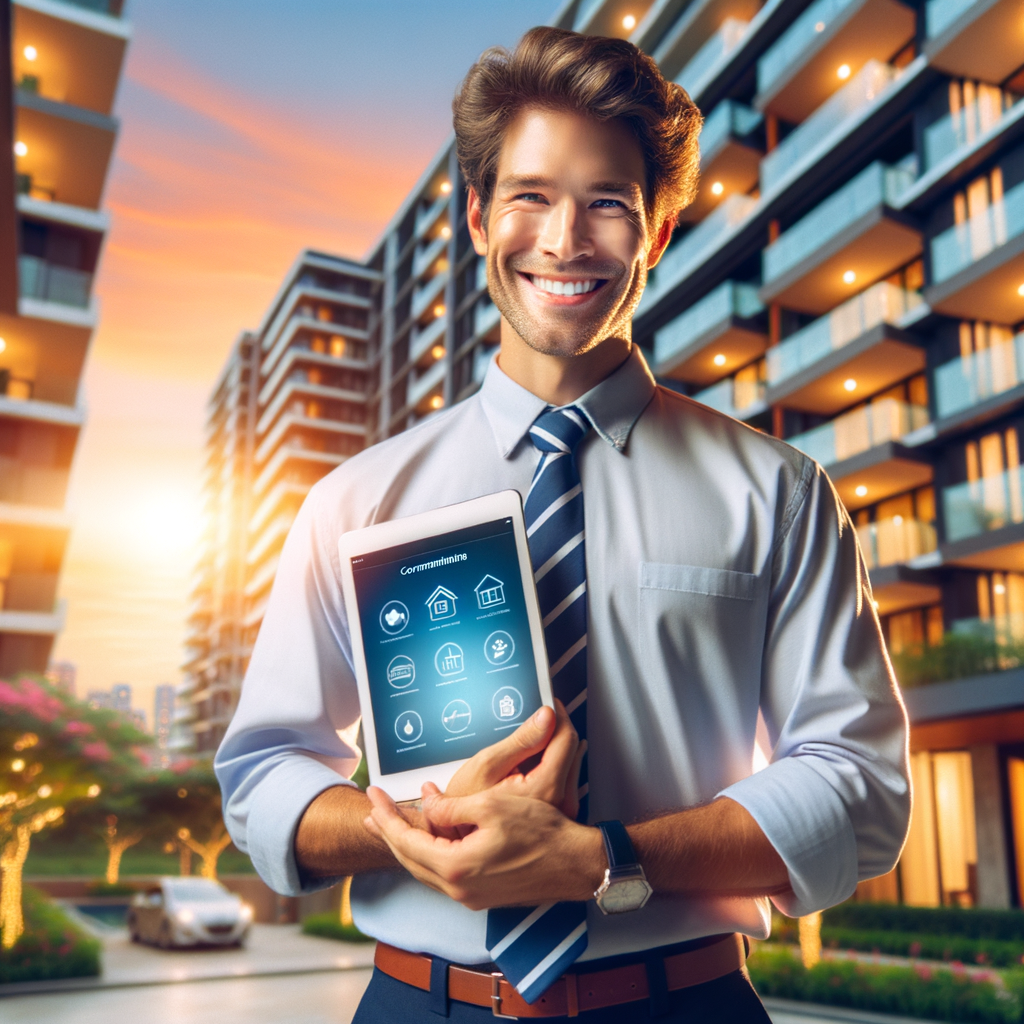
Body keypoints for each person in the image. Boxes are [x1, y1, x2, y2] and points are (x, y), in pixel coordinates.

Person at [215, 26, 910, 1023]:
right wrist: (405, 832)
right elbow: (266, 769)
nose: (564, 239)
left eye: (607, 205)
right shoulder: (353, 500)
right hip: (422, 1003)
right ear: (476, 217)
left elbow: (860, 786)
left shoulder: (779, 492)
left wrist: (601, 858)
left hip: (684, 1001)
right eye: (530, 196)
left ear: (658, 232)